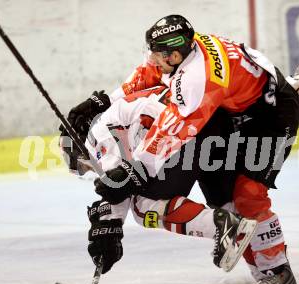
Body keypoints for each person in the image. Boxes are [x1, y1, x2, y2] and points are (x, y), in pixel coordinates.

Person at [87, 15, 299, 284]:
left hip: (270, 119)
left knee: (248, 195)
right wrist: (100, 102)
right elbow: (147, 74)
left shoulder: (197, 79)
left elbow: (174, 130)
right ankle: (297, 85)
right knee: (221, 196)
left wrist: (138, 170)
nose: (153, 61)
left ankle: (278, 274)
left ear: (175, 54)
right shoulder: (187, 51)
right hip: (231, 112)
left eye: (157, 55)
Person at [59, 86, 258, 274]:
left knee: (142, 207)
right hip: (215, 121)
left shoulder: (97, 135)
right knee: (226, 200)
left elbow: (118, 185)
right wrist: (109, 222)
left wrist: (108, 228)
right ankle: (268, 267)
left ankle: (221, 225)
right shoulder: (116, 113)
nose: (89, 168)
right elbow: (123, 179)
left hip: (186, 132)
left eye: (83, 165)